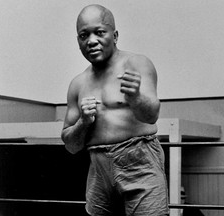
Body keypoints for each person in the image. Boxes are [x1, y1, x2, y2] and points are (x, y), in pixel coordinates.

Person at [61, 4, 169, 216]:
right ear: (78, 41)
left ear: (115, 35)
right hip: (98, 167)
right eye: (84, 35)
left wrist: (135, 97)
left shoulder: (137, 64)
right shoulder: (77, 84)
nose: (91, 41)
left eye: (99, 32)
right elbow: (71, 145)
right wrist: (83, 122)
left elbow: (151, 115)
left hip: (139, 161)